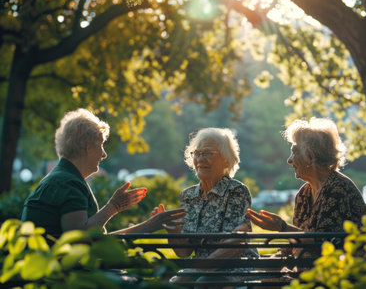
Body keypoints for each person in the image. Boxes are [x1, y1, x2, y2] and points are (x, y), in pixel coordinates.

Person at [21, 108, 185, 237]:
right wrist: (113, 207)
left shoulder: (64, 178)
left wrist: (148, 226)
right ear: (87, 146)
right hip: (56, 278)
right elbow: (79, 241)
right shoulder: (67, 183)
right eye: (101, 145)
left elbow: (95, 242)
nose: (104, 154)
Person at [246, 118, 366, 255]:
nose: (289, 160)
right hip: (305, 271)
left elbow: (324, 245)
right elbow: (295, 241)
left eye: (294, 152)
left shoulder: (338, 189)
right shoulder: (304, 193)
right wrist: (275, 258)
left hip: (336, 273)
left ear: (310, 156)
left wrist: (282, 227)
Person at [155, 127, 258, 285]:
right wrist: (172, 230)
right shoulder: (188, 196)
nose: (201, 158)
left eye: (208, 153)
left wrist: (195, 271)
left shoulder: (236, 191)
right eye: (197, 153)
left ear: (226, 159)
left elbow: (234, 246)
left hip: (234, 268)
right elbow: (185, 252)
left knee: (204, 283)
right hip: (198, 270)